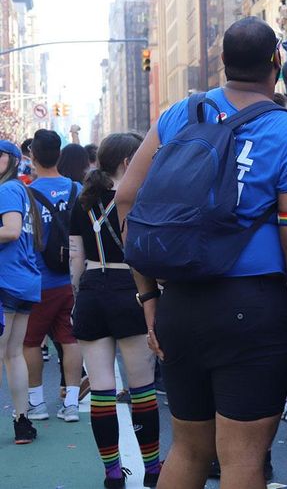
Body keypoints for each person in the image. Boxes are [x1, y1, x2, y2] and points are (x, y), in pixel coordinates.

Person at [116, 16, 287, 489]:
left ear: (224, 65)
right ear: (276, 63)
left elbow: (126, 199)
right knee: (242, 461)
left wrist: (149, 298)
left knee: (188, 450)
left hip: (181, 304)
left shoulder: (179, 115)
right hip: (252, 310)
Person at [68, 133, 162, 488]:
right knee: (142, 387)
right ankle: (152, 469)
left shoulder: (83, 200)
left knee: (103, 388)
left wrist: (78, 298)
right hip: (132, 291)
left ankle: (112, 473)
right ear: (128, 163)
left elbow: (76, 257)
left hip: (92, 291)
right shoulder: (139, 198)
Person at [23, 130, 84, 424]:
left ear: (32, 156)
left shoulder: (26, 194)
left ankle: (36, 402)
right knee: (70, 340)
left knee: (30, 342)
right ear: (59, 155)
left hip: (38, 279)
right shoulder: (76, 189)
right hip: (71, 279)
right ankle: (71, 403)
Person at [0, 139, 42, 445]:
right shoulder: (20, 190)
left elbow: (11, 230)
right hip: (23, 280)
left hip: (7, 280)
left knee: (10, 353)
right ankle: (21, 420)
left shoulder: (6, 190)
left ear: (12, 160)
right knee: (12, 353)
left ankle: (22, 419)